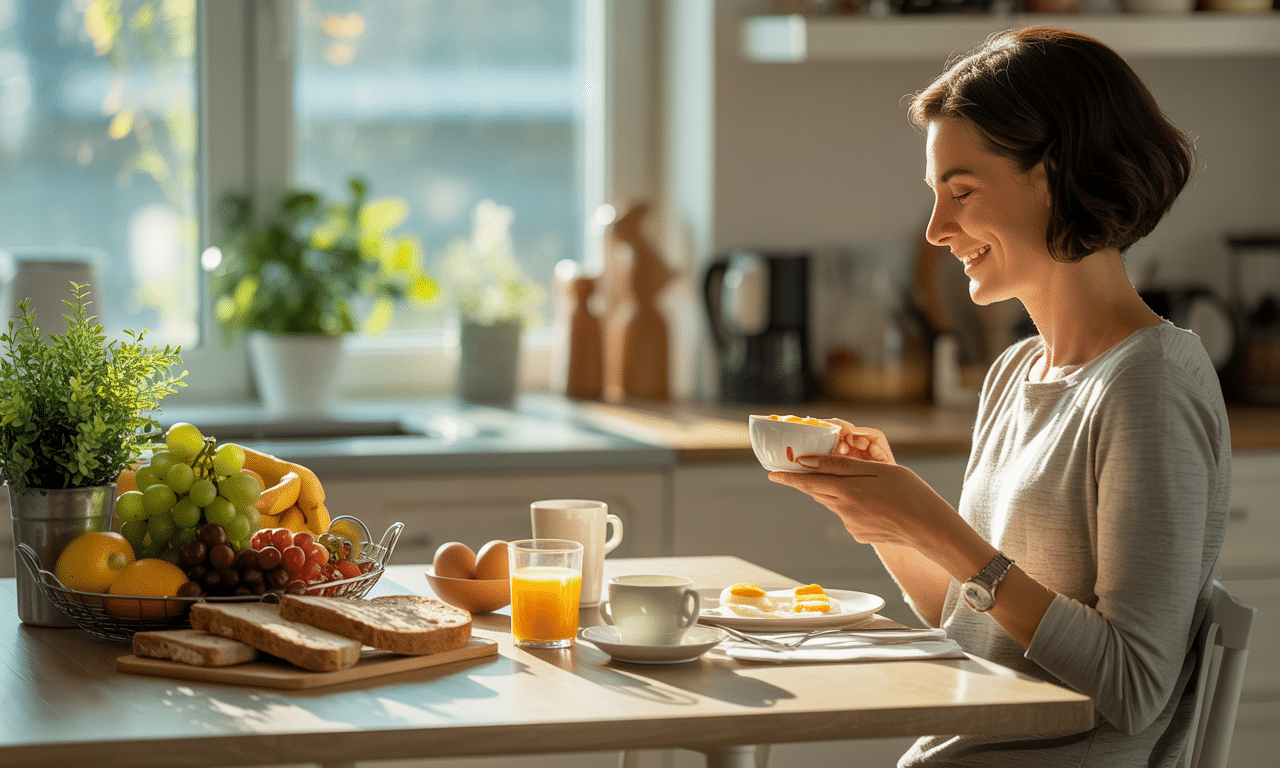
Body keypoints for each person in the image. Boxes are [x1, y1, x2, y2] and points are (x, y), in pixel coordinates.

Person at [769, 26, 1230, 767]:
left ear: (1054, 175)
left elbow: (1135, 686)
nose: (936, 230)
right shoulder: (1018, 372)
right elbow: (981, 624)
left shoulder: (1151, 384)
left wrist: (945, 532)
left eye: (962, 192)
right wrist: (890, 520)